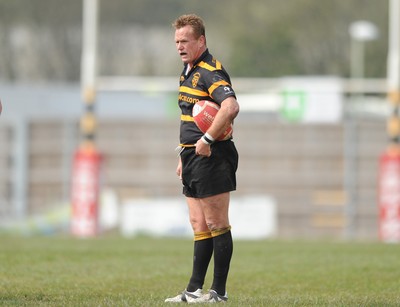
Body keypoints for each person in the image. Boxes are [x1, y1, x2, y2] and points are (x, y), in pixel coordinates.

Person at [165, 14, 239, 304]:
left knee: (216, 221)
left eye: (185, 41)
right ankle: (194, 291)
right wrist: (184, 152)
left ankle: (218, 292)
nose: (180, 46)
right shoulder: (187, 70)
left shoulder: (210, 70)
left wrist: (207, 141)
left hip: (213, 154)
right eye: (176, 41)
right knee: (198, 223)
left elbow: (230, 106)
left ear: (201, 40)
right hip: (192, 155)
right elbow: (189, 118)